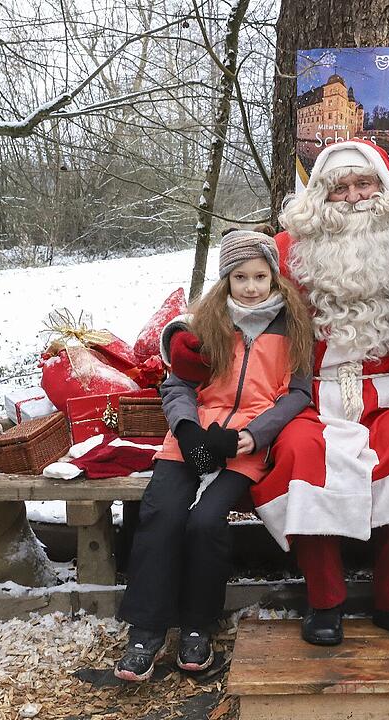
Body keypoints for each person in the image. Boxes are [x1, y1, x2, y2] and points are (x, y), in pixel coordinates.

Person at [249, 139, 389, 653]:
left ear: (384, 191)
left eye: (365, 184)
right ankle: (325, 600)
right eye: (340, 188)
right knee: (301, 454)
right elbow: (239, 304)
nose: (355, 197)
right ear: (320, 197)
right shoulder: (285, 249)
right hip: (310, 399)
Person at [114, 229, 314, 682]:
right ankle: (146, 629)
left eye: (260, 276)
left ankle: (197, 626)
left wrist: (257, 436)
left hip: (245, 443)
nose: (250, 287)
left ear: (274, 277)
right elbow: (178, 384)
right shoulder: (203, 325)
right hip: (194, 435)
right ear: (225, 280)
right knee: (161, 513)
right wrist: (185, 430)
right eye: (239, 277)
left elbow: (297, 394)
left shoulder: (293, 324)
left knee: (205, 522)